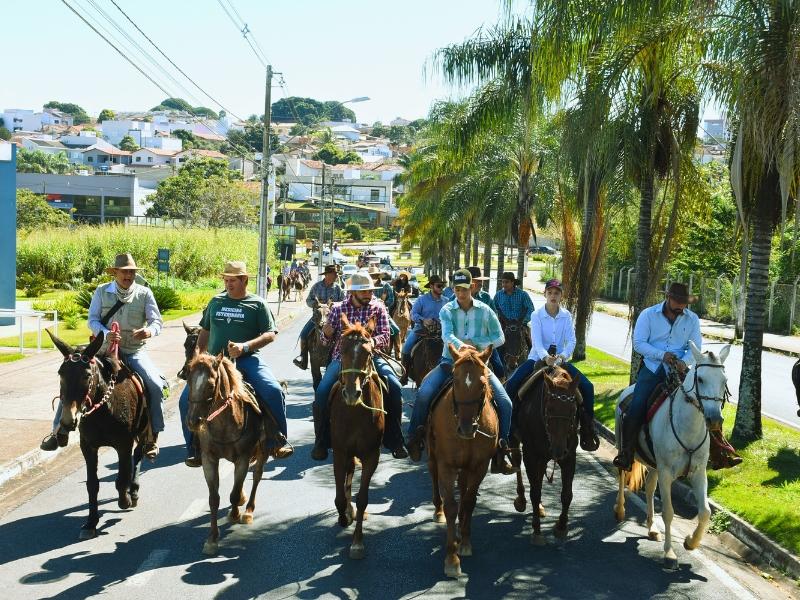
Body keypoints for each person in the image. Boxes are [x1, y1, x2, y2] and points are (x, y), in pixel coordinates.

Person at [40, 253, 167, 460]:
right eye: (124, 272)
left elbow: (157, 322)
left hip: (134, 351)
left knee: (154, 384)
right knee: (73, 377)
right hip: (103, 350)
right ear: (115, 273)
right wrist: (107, 334)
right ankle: (58, 431)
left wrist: (149, 332)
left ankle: (152, 436)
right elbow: (92, 320)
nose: (128, 275)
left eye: (131, 272)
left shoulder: (144, 293)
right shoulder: (101, 292)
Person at [179, 261, 292, 467]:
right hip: (215, 363)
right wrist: (198, 358)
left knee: (273, 390)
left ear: (244, 280)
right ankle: (194, 449)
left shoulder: (257, 304)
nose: (229, 284)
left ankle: (277, 440)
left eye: (233, 280)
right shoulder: (215, 302)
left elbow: (270, 334)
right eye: (226, 280)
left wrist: (245, 347)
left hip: (247, 359)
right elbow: (205, 331)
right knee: (185, 399)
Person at [406, 269, 516, 475]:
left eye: (464, 289)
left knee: (506, 403)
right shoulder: (447, 310)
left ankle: (502, 449)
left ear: (472, 287)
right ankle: (415, 437)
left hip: (479, 367)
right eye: (457, 289)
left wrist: (477, 345)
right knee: (424, 393)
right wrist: (462, 347)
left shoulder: (485, 310)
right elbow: (447, 335)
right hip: (451, 364)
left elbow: (499, 337)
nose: (461, 293)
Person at [311, 272, 408, 461]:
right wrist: (327, 333)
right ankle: (321, 440)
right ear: (353, 293)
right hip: (343, 359)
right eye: (364, 291)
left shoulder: (378, 307)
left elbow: (385, 336)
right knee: (322, 391)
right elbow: (324, 341)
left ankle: (395, 439)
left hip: (372, 357)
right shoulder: (338, 309)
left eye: (370, 291)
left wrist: (372, 342)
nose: (369, 294)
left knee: (395, 387)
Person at [613, 282, 701, 470]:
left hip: (679, 370)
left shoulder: (692, 319)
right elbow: (639, 343)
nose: (680, 306)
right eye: (677, 301)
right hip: (652, 368)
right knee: (636, 406)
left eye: (683, 302)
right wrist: (662, 355)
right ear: (667, 298)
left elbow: (695, 349)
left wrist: (683, 362)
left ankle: (715, 452)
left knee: (702, 404)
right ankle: (627, 452)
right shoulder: (648, 315)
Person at [504, 278, 599, 451]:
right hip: (537, 359)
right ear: (545, 294)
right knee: (511, 386)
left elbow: (571, 340)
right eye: (550, 293)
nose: (553, 296)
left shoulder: (567, 316)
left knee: (588, 387)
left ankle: (588, 428)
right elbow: (537, 342)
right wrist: (546, 357)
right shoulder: (537, 315)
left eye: (556, 293)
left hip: (561, 362)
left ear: (561, 296)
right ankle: (510, 430)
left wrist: (562, 356)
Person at [293, 264, 345, 370]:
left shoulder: (338, 288)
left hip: (333, 319)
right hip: (317, 318)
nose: (336, 276)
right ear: (327, 275)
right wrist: (316, 305)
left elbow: (344, 302)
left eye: (336, 274)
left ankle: (344, 359)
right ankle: (303, 359)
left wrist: (334, 305)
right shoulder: (316, 286)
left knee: (344, 336)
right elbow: (308, 300)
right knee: (304, 335)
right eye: (334, 274)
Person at [400, 274, 448, 385]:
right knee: (406, 347)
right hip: (422, 330)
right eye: (439, 286)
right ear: (431, 286)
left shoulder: (446, 300)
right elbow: (413, 314)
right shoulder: (422, 300)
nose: (441, 288)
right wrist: (424, 320)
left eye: (442, 286)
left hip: (442, 331)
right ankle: (404, 374)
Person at [466, 266, 505, 378]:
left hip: (484, 341)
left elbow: (494, 316)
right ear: (470, 281)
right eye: (478, 280)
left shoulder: (486, 297)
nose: (481, 283)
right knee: (445, 366)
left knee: (499, 368)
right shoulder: (456, 297)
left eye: (481, 280)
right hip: (462, 342)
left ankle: (500, 389)